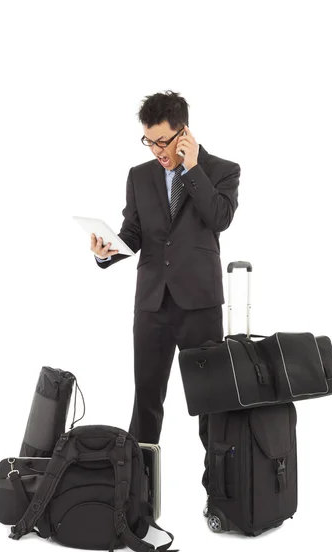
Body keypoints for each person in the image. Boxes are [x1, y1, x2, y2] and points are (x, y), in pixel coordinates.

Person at [91, 90, 240, 493]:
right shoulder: (139, 176)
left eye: (162, 140)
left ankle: (222, 495)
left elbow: (219, 218)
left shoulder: (222, 170)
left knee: (212, 405)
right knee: (147, 402)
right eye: (149, 140)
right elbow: (133, 233)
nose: (156, 149)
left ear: (184, 133)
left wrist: (191, 169)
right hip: (153, 306)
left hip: (200, 306)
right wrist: (108, 252)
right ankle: (135, 494)